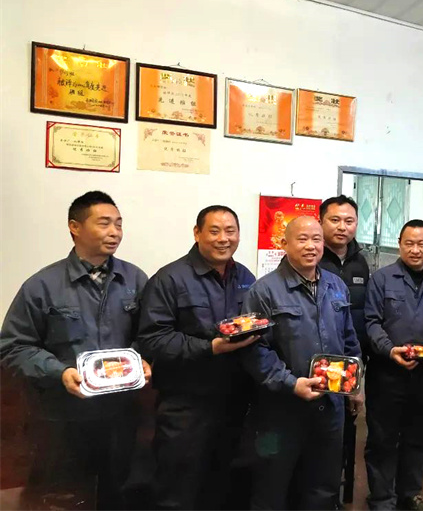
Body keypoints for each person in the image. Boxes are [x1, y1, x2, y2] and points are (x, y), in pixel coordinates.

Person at [0, 191, 149, 510]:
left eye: (119, 224)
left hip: (121, 413)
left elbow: (149, 334)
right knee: (64, 497)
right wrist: (60, 372)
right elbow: (13, 347)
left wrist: (142, 360)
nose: (115, 232)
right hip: (63, 415)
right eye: (104, 223)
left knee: (119, 493)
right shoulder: (43, 285)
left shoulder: (135, 279)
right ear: (75, 227)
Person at [136, 205, 257, 510]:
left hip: (234, 402)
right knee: (177, 487)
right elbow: (152, 339)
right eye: (214, 231)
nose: (223, 239)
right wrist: (209, 348)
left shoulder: (245, 277)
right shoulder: (170, 279)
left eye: (230, 231)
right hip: (185, 405)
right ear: (197, 233)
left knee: (223, 483)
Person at [240, 216, 362, 510]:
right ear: (284, 244)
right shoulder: (264, 291)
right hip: (280, 410)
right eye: (302, 239)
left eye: (317, 239)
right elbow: (255, 350)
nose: (311, 246)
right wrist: (291, 384)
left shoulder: (336, 285)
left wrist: (357, 385)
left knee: (323, 486)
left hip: (330, 408)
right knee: (272, 485)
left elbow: (349, 339)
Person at [364, 219, 423, 511]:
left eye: (422, 244)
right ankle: (382, 498)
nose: (415, 250)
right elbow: (371, 323)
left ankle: (410, 494)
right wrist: (390, 350)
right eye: (409, 243)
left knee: (418, 436)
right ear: (399, 244)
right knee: (382, 438)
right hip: (386, 373)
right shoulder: (382, 279)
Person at [318, 195, 370, 504]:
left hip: (351, 360)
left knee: (345, 434)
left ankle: (339, 494)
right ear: (321, 221)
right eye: (335, 220)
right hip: (317, 362)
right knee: (317, 437)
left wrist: (359, 373)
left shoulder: (361, 261)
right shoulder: (312, 255)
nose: (342, 227)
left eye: (349, 221)